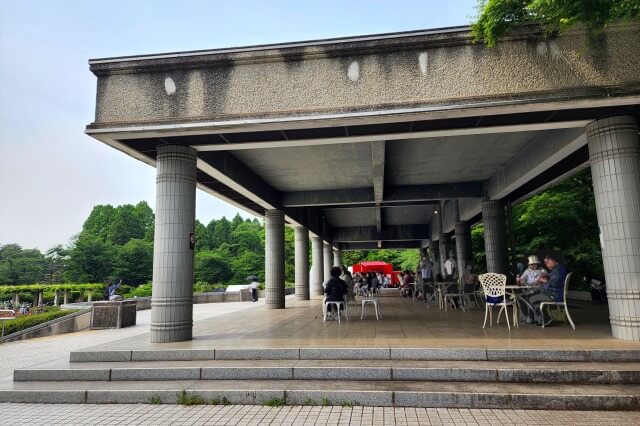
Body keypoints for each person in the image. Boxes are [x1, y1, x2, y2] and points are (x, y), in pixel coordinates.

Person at [523, 255, 568, 326]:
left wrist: (543, 281)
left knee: (531, 298)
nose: (547, 265)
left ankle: (546, 319)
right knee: (532, 295)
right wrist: (547, 278)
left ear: (552, 260)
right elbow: (554, 280)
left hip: (554, 294)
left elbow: (554, 283)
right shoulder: (558, 268)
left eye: (547, 262)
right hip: (555, 292)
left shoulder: (557, 269)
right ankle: (541, 319)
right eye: (545, 263)